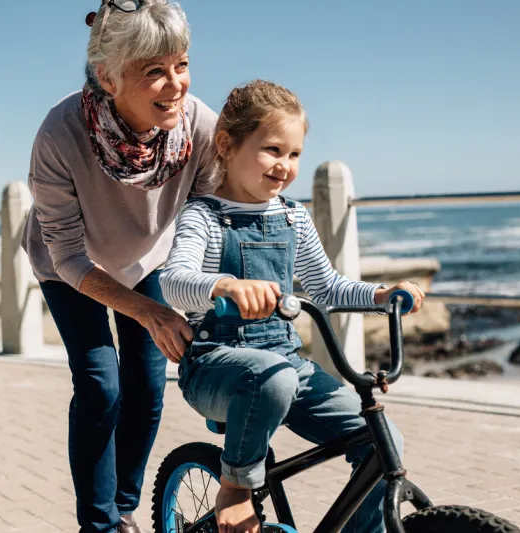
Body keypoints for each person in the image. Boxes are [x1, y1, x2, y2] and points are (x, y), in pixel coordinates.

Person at [160, 80, 426, 533]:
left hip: (286, 365)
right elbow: (174, 282)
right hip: (216, 365)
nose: (284, 166)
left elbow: (325, 287)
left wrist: (380, 296)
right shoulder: (203, 215)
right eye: (272, 150)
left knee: (383, 443)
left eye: (294, 154)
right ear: (226, 144)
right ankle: (236, 484)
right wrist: (224, 286)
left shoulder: (292, 216)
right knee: (272, 380)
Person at [20, 1, 221, 531]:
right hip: (70, 264)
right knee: (101, 383)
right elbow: (65, 254)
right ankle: (100, 524)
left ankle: (125, 509)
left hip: (146, 256)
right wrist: (150, 314)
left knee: (148, 386)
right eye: (154, 71)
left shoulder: (199, 125)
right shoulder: (59, 134)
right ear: (108, 77)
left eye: (180, 65)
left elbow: (212, 220)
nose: (175, 84)